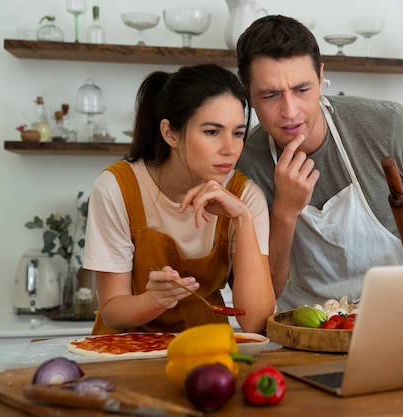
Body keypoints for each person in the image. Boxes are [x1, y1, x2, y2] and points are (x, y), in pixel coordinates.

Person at [235, 15, 403, 310]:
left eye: (302, 90)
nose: (290, 111)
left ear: (321, 78)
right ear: (247, 92)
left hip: (397, 311)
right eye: (271, 95)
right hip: (301, 323)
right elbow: (266, 291)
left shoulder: (388, 126)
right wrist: (285, 212)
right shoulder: (244, 164)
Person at [83, 64, 275, 335]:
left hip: (206, 351)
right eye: (212, 131)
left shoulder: (245, 197)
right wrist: (154, 300)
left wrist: (242, 219)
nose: (230, 149)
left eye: (238, 133)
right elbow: (112, 312)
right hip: (126, 353)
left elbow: (255, 321)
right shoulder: (117, 188)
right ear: (170, 132)